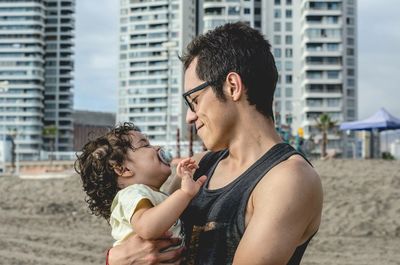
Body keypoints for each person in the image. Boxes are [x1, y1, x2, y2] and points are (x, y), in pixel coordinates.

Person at [108, 22, 323, 265]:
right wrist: (114, 258)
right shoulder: (198, 166)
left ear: (232, 86)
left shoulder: (287, 179)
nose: (190, 116)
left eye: (195, 100)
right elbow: (149, 247)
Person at [75, 123, 207, 249]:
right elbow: (148, 227)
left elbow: (169, 205)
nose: (157, 148)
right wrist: (185, 193)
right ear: (123, 170)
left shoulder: (147, 195)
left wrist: (182, 178)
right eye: (145, 145)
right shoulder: (131, 194)